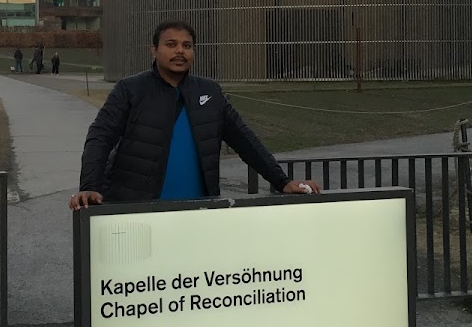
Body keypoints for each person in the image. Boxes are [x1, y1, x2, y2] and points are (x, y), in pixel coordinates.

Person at [68, 20, 320, 210]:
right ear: (154, 50)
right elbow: (100, 137)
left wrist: (282, 182)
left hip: (198, 212)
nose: (180, 51)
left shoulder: (210, 92)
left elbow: (246, 141)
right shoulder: (130, 89)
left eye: (186, 46)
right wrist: (89, 186)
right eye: (171, 44)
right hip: (138, 210)